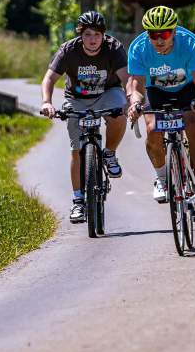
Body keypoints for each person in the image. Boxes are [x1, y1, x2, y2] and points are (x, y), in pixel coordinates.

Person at [126, 5, 195, 213]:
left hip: (185, 90)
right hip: (155, 91)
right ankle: (161, 179)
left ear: (175, 32)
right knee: (152, 130)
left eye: (165, 34)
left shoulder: (190, 43)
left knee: (194, 126)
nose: (159, 40)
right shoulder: (139, 48)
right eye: (153, 35)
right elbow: (137, 86)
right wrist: (135, 103)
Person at [40, 11, 129, 224]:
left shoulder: (113, 48)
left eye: (97, 35)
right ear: (80, 34)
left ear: (103, 35)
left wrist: (131, 100)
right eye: (88, 34)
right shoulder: (68, 50)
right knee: (76, 150)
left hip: (107, 93)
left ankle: (109, 153)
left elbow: (127, 78)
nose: (92, 40)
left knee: (119, 113)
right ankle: (78, 201)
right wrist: (46, 102)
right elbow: (49, 79)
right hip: (77, 98)